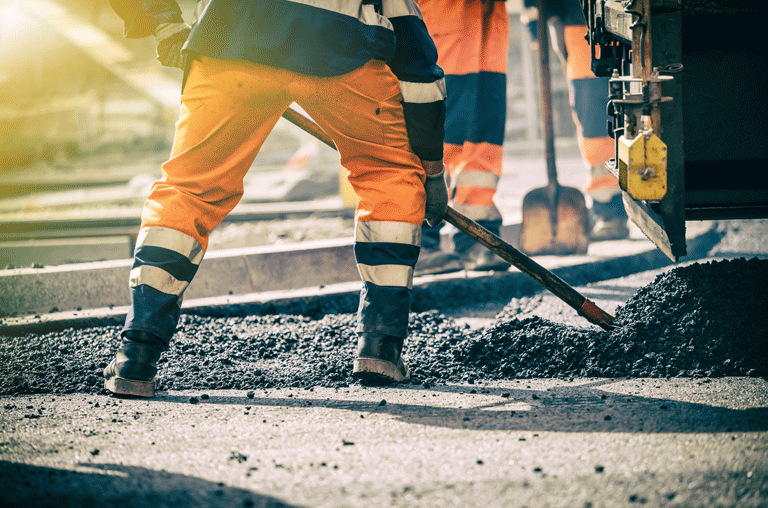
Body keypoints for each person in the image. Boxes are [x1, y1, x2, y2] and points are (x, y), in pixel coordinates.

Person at [103, 0, 449, 396]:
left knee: (189, 188)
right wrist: (430, 166)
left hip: (232, 37)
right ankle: (380, 347)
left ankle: (137, 354)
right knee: (389, 176)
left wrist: (161, 22)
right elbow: (415, 58)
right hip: (340, 45)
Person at [413, 0, 513, 276]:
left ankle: (476, 235)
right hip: (440, 9)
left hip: (487, 10)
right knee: (439, 118)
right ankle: (416, 241)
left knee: (483, 127)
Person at [523, 0, 629, 240]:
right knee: (595, 121)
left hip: (636, 19)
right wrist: (536, 30)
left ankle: (644, 205)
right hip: (581, 23)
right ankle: (610, 209)